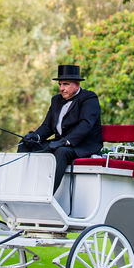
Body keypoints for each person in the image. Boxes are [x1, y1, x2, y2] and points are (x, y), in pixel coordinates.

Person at [20, 64, 103, 192]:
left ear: (77, 84)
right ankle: (22, 186)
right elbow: (47, 126)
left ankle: (47, 193)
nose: (61, 88)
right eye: (60, 84)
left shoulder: (89, 98)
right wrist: (35, 136)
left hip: (82, 146)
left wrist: (65, 141)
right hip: (59, 143)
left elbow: (86, 124)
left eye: (66, 84)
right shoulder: (56, 100)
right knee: (26, 144)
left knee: (62, 152)